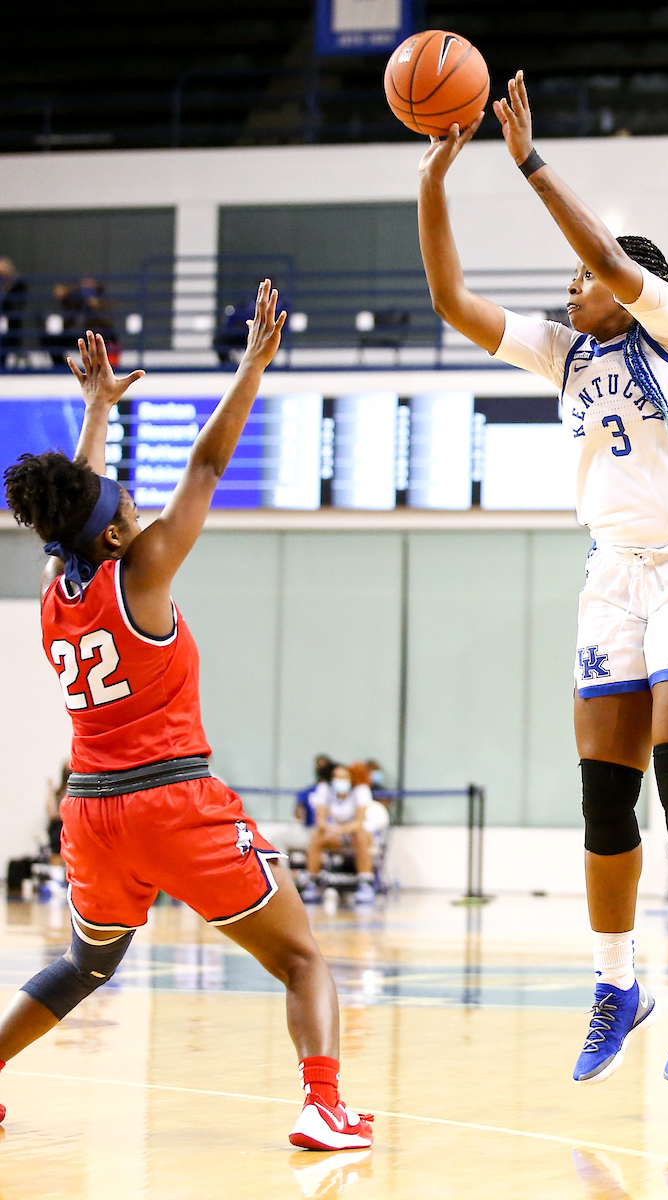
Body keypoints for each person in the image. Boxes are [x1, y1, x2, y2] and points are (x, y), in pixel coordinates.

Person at [417, 72, 668, 1089]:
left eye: (580, 278)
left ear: (630, 287)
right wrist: (435, 181)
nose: (567, 287)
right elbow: (450, 299)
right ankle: (616, 984)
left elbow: (601, 254)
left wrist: (525, 161)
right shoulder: (563, 354)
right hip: (612, 576)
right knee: (604, 795)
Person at [0, 284, 373, 1152]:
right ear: (119, 536)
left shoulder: (59, 594)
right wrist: (251, 368)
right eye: (125, 502)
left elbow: (75, 515)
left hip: (90, 811)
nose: (133, 502)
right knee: (301, 956)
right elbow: (204, 469)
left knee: (86, 964)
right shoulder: (145, 571)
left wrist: (95, 407)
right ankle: (323, 1104)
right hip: (173, 801)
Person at [302, 764, 375, 906]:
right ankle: (313, 881)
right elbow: (320, 820)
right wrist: (331, 830)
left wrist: (340, 830)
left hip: (355, 833)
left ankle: (365, 882)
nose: (339, 780)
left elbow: (359, 823)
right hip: (334, 832)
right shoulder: (325, 789)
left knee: (360, 837)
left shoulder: (360, 790)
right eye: (336, 777)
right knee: (317, 836)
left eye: (343, 777)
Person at [0, 258, 27, 369]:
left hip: (12, 320)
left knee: (10, 341)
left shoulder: (18, 284)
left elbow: (18, 304)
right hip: (2, 319)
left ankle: (10, 361)